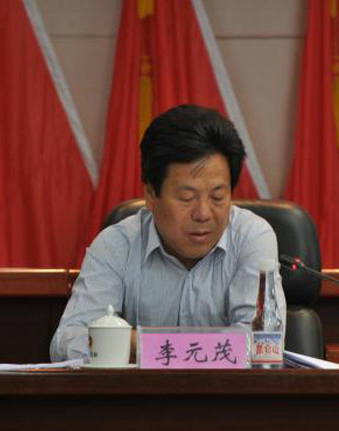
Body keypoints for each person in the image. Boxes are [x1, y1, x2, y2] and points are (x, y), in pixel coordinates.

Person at [50, 104, 286, 361]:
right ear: (151, 195)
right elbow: (67, 342)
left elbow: (260, 343)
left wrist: (139, 344)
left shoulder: (252, 238)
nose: (203, 213)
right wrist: (177, 348)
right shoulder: (116, 245)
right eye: (186, 198)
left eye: (218, 197)